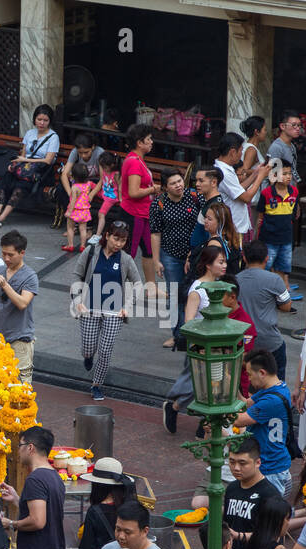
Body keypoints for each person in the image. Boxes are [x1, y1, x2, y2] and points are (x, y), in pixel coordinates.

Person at [70, 223, 142, 400]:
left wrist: (127, 307)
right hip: (89, 308)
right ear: (107, 236)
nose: (119, 244)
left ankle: (97, 385)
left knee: (105, 350)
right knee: (89, 348)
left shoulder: (125, 259)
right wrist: (77, 301)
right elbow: (77, 275)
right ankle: (87, 357)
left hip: (114, 312)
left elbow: (138, 283)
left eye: (123, 240)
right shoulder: (91, 252)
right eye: (116, 239)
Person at [162, 247, 230, 431]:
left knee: (212, 385)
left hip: (217, 344)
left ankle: (204, 423)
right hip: (200, 344)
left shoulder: (220, 286)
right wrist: (200, 341)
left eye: (224, 261)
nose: (224, 266)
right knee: (197, 384)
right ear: (208, 265)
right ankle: (174, 407)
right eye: (220, 262)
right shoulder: (197, 290)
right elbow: (188, 322)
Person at [0, 104, 58, 228]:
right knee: (4, 180)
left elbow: (48, 161)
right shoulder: (29, 133)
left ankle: (1, 218)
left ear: (50, 121)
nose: (42, 123)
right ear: (34, 119)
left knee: (21, 186)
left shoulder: (53, 137)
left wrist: (26, 159)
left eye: (45, 120)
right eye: (39, 119)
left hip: (40, 171)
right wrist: (16, 164)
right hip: (25, 168)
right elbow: (22, 154)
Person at [235, 349, 293, 495]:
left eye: (249, 374)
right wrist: (230, 385)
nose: (248, 379)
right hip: (270, 464)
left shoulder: (272, 400)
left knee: (268, 516)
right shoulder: (275, 388)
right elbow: (245, 403)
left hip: (271, 469)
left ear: (261, 372)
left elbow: (239, 420)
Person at [0, 230, 39, 383]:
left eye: (11, 255)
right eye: (4, 254)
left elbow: (22, 303)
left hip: (20, 340)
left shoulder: (30, 276)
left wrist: (4, 284)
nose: (6, 258)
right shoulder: (0, 270)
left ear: (22, 253)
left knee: (20, 386)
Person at [148, 170, 200, 325]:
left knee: (194, 293)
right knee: (175, 295)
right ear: (165, 187)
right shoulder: (158, 204)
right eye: (173, 183)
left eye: (179, 181)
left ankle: (193, 330)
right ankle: (177, 334)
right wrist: (156, 260)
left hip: (194, 255)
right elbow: (155, 234)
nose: (178, 185)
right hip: (170, 255)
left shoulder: (195, 197)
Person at [238, 242, 295, 382]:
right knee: (276, 384)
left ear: (244, 258)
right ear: (266, 258)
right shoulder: (274, 280)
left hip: (244, 344)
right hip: (270, 343)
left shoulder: (235, 280)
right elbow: (287, 306)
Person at [117, 124, 162, 284]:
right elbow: (133, 192)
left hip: (143, 213)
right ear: (139, 143)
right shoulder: (134, 162)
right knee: (129, 252)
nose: (151, 142)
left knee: (149, 251)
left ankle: (151, 286)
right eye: (148, 139)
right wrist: (152, 189)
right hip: (134, 214)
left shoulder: (136, 160)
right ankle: (119, 285)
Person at [215, 131, 271, 246]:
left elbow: (238, 190)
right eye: (241, 150)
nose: (241, 154)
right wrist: (260, 177)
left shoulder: (226, 169)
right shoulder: (224, 172)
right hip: (232, 228)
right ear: (232, 152)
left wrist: (256, 173)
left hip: (235, 226)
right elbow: (245, 197)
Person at [255, 167, 300, 292]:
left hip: (286, 237)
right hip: (269, 237)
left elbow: (294, 213)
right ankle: (264, 290)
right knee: (267, 265)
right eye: (284, 174)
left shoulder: (294, 192)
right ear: (274, 175)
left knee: (283, 266)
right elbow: (260, 215)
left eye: (290, 173)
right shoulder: (266, 193)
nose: (288, 176)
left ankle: (281, 292)